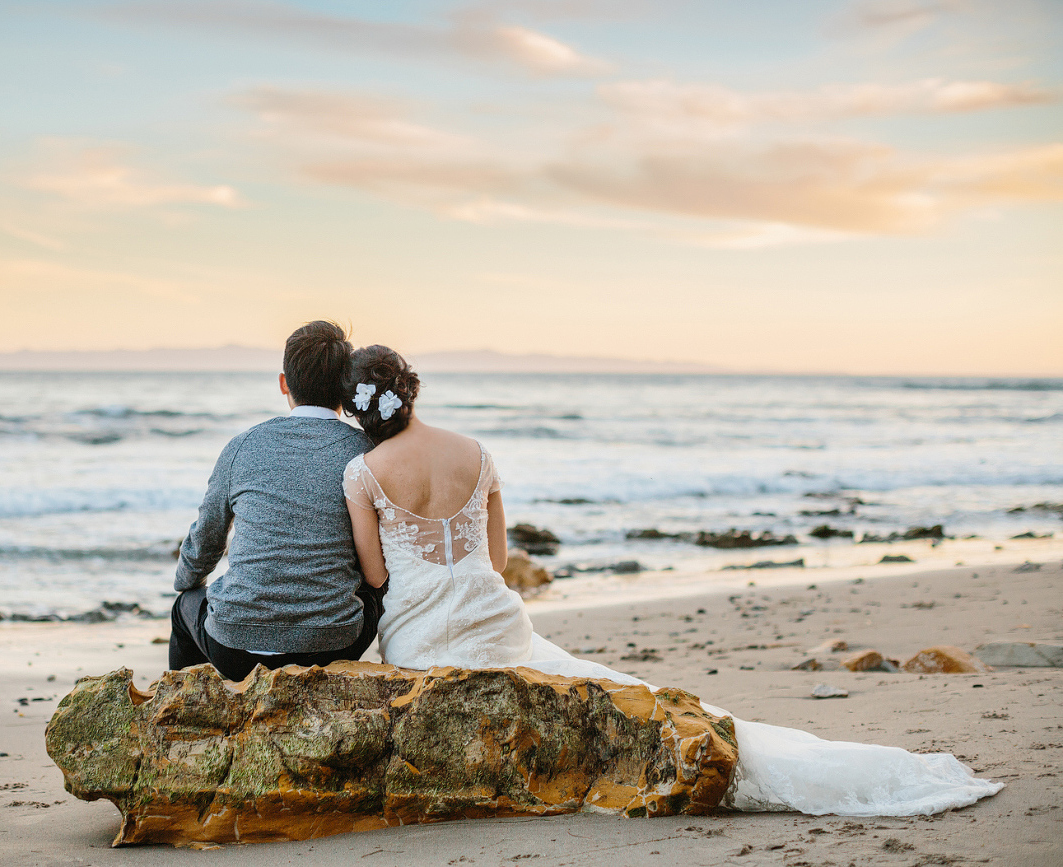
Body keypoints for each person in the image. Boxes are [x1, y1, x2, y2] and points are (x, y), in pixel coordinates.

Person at [341, 344, 1003, 817]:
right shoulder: (476, 453)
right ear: (413, 387)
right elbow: (495, 557)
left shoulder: (363, 472)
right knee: (620, 694)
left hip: (422, 644)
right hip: (497, 627)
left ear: (358, 409)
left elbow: (374, 573)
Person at [168, 321, 382, 682]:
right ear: (345, 390)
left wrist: (186, 580)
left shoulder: (242, 447)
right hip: (333, 645)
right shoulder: (368, 452)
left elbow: (205, 542)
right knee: (376, 588)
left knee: (184, 606)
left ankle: (188, 713)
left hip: (236, 650)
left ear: (284, 382)